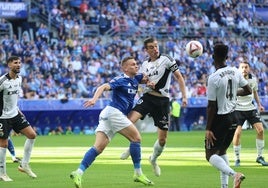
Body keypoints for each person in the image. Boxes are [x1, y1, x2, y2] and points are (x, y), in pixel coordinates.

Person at [70, 56, 154, 188]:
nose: (136, 66)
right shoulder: (120, 80)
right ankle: (138, 173)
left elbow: (145, 77)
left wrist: (149, 82)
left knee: (98, 148)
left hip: (109, 115)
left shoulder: (136, 78)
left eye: (136, 64)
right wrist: (94, 99)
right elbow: (103, 86)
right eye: (132, 65)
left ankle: (78, 172)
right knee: (136, 138)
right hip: (114, 113)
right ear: (125, 68)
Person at [120, 37, 188, 177]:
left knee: (162, 140)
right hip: (147, 98)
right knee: (128, 121)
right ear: (146, 50)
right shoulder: (144, 64)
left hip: (162, 102)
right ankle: (132, 145)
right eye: (151, 47)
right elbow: (143, 80)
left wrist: (184, 96)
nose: (155, 49)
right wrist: (147, 84)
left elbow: (179, 77)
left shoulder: (167, 59)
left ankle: (153, 159)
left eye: (156, 46)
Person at [205, 43, 252, 188]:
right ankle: (224, 186)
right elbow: (248, 90)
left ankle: (234, 175)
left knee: (210, 155)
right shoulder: (235, 71)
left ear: (213, 57)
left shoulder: (214, 78)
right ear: (227, 56)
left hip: (220, 118)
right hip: (234, 117)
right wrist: (231, 95)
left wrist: (208, 128)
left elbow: (212, 106)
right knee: (222, 151)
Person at [0, 56, 37, 181]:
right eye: (15, 63)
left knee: (32, 135)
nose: (19, 65)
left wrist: (18, 111)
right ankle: (2, 173)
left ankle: (24, 165)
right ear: (9, 65)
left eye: (20, 63)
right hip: (2, 117)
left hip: (15, 114)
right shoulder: (2, 81)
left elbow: (14, 98)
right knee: (3, 144)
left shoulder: (19, 79)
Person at [232, 61, 268, 167]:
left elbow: (255, 92)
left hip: (251, 108)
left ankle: (260, 156)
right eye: (242, 67)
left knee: (260, 130)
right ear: (239, 69)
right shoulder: (235, 80)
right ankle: (237, 158)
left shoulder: (253, 79)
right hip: (238, 109)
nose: (244, 69)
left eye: (246, 67)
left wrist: (259, 105)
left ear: (249, 68)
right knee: (237, 133)